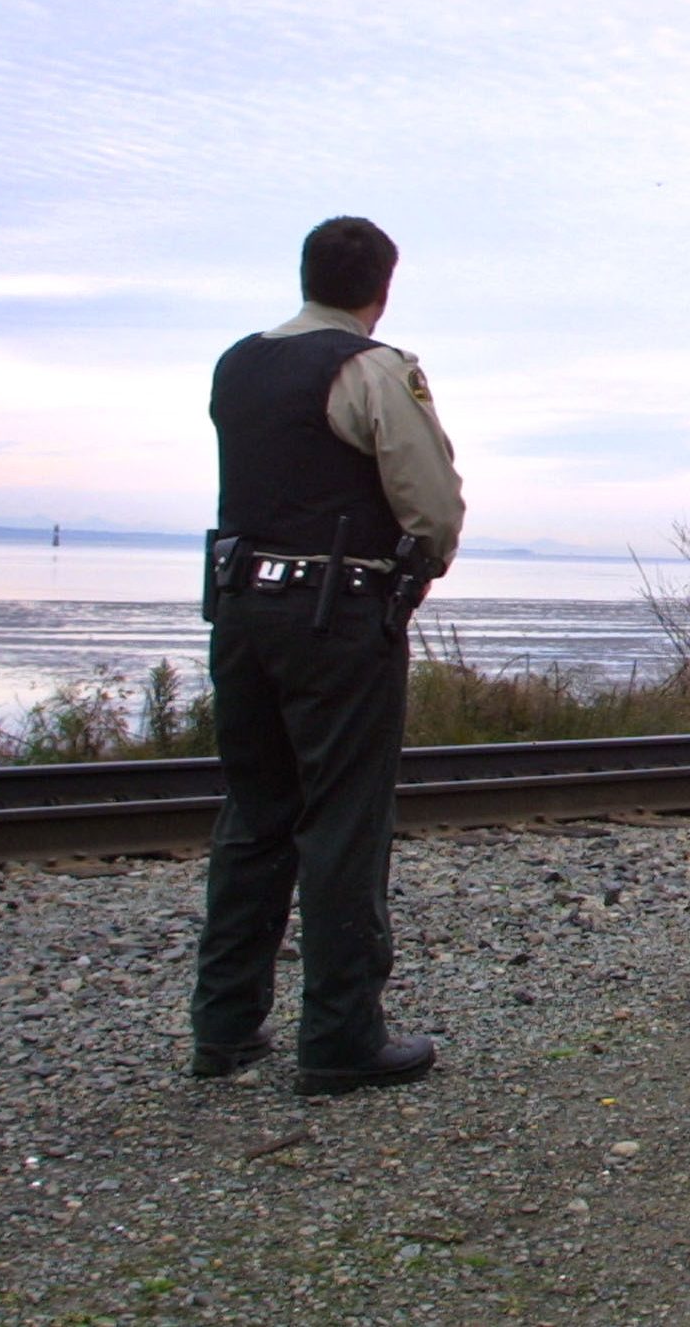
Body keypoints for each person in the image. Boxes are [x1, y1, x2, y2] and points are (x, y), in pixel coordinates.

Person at [189, 216, 464, 1095]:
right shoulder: (373, 370)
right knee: (344, 820)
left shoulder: (238, 364)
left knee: (255, 812)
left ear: (305, 274)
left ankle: (224, 1027)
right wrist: (417, 572)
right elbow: (431, 502)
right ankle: (341, 1035)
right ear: (381, 289)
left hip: (239, 608)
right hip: (336, 615)